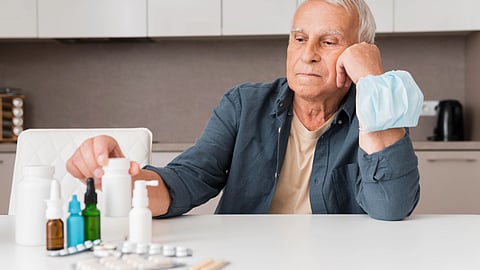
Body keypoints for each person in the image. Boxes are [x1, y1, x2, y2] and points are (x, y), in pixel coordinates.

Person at [67, 0, 423, 221]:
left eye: (328, 42)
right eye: (299, 38)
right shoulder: (244, 105)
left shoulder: (377, 108)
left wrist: (374, 84)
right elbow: (189, 178)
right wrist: (131, 183)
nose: (308, 53)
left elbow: (390, 208)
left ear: (358, 52)